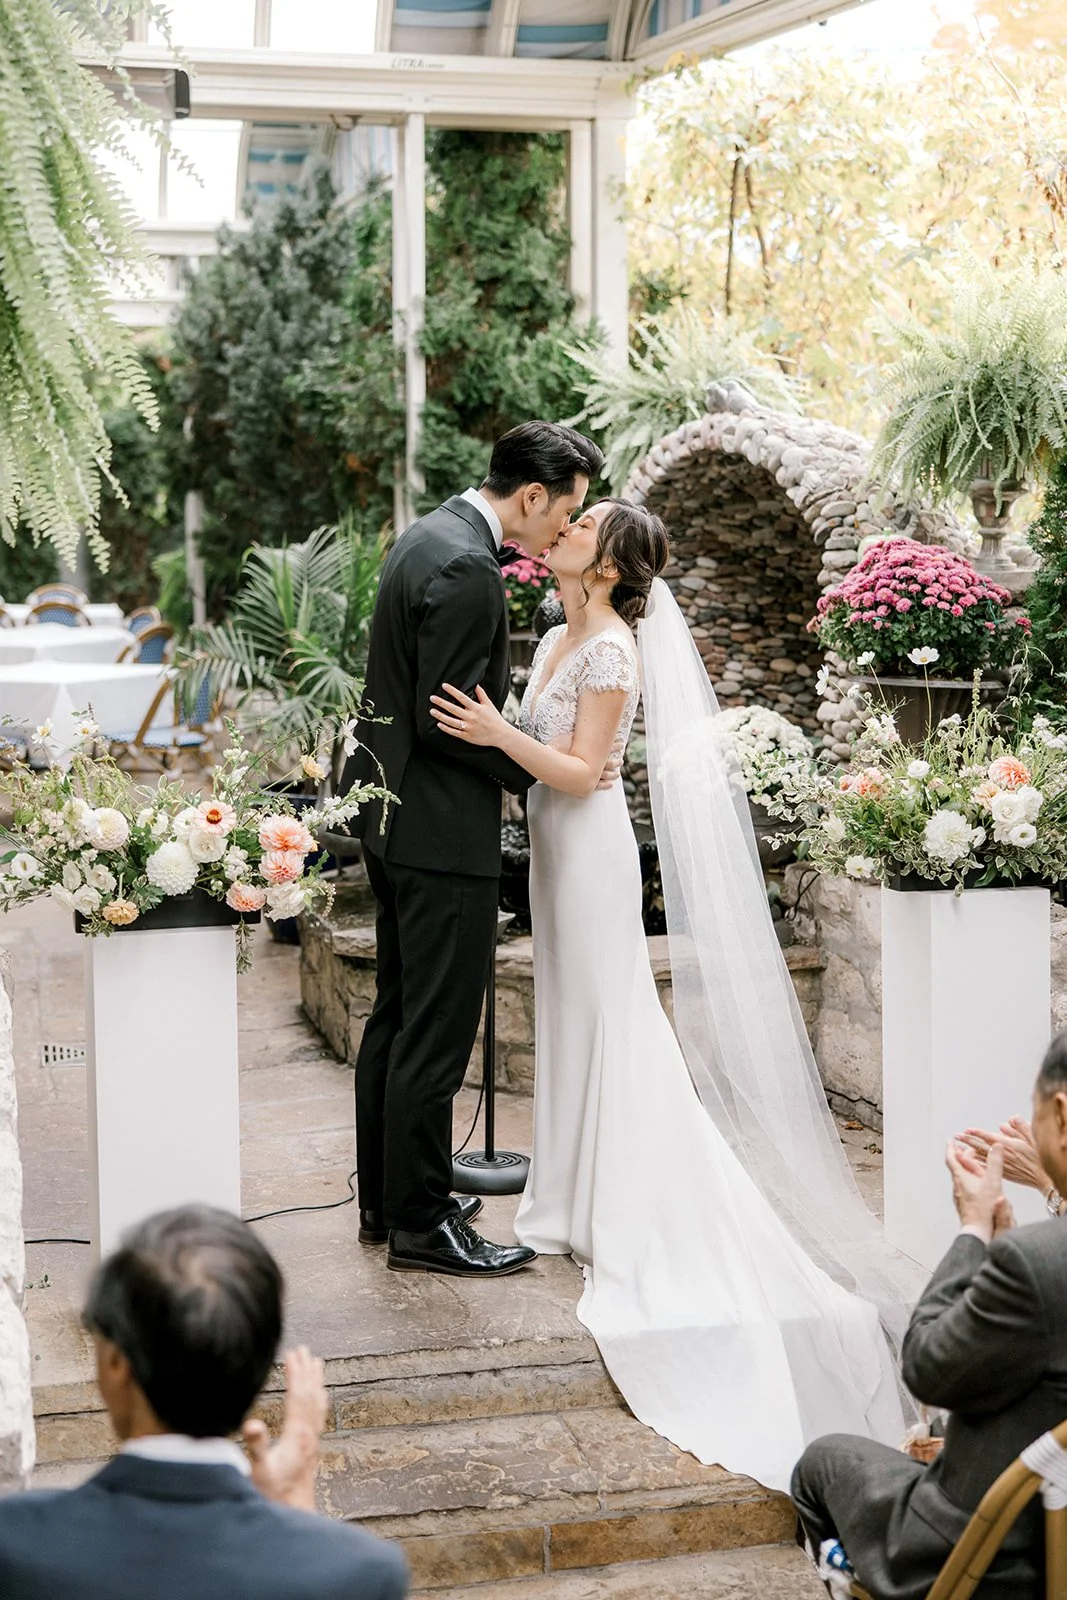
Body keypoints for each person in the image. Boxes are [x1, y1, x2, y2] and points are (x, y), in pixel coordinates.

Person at [430, 499, 917, 1492]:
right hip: (555, 856)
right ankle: (565, 1192)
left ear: (607, 566)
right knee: (570, 1020)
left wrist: (492, 730)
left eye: (583, 527)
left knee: (612, 1018)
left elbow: (575, 771)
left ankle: (614, 1199)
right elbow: (563, 760)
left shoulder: (608, 647)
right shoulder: (560, 631)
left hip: (589, 852)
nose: (563, 527)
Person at [342, 421, 605, 1278]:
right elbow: (448, 720)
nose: (563, 530)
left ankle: (388, 1199)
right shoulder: (469, 569)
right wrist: (549, 769)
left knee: (396, 1014)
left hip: (393, 819)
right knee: (435, 1031)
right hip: (440, 831)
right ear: (532, 495)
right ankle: (420, 1225)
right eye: (564, 511)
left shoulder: (426, 536)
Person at [0, 1205, 408, 1600]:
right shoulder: (364, 1573)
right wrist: (295, 1517)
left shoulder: (15, 1546)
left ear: (115, 1361)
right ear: (261, 1365)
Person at [792, 1031, 1067, 1600]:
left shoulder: (1034, 1265)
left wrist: (974, 1231)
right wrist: (1050, 1185)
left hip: (994, 1558)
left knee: (822, 1462)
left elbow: (925, 1366)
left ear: (1060, 1115)